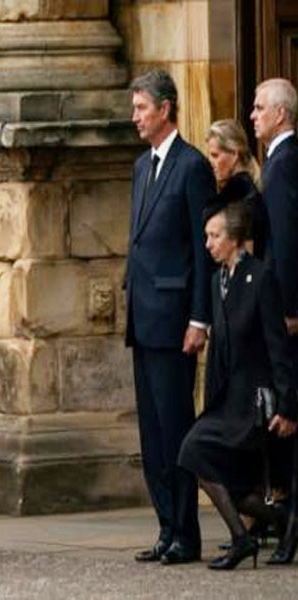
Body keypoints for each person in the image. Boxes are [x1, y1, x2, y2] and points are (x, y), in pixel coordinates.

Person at [178, 199, 298, 570]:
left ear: (234, 238)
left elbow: (278, 347)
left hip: (255, 401)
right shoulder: (218, 281)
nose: (208, 243)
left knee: (193, 450)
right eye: (206, 236)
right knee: (215, 468)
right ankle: (279, 521)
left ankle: (244, 538)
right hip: (227, 400)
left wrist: (288, 406)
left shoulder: (260, 278)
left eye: (215, 236)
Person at [126, 69, 214, 565]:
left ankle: (186, 531)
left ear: (165, 109)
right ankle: (165, 526)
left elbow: (202, 251)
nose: (135, 116)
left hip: (176, 317)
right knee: (152, 432)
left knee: (176, 425)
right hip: (143, 316)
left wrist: (199, 318)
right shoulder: (142, 167)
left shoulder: (192, 166)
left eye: (141, 108)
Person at [250, 77, 298, 564]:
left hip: (283, 312)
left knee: (287, 415)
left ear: (281, 115)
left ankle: (287, 524)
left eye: (261, 108)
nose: (253, 115)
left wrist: (286, 309)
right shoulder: (279, 161)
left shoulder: (282, 166)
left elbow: (284, 241)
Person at [205, 120, 267, 258]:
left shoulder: (241, 195)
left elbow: (247, 252)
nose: (211, 163)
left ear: (234, 155)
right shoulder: (239, 190)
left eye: (215, 155)